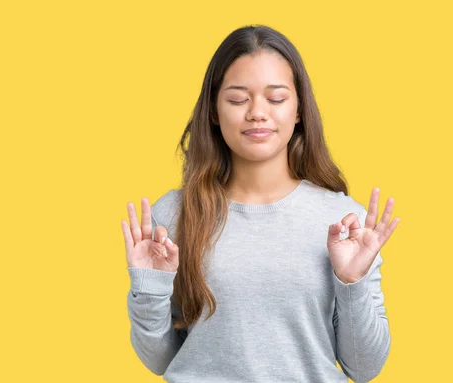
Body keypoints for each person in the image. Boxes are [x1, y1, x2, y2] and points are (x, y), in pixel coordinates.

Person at [122, 24, 399, 383]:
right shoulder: (173, 216)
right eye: (238, 99)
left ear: (299, 110)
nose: (257, 113)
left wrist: (352, 281)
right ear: (213, 111)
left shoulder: (344, 222)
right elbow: (160, 360)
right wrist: (149, 287)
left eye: (277, 98)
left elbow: (364, 368)